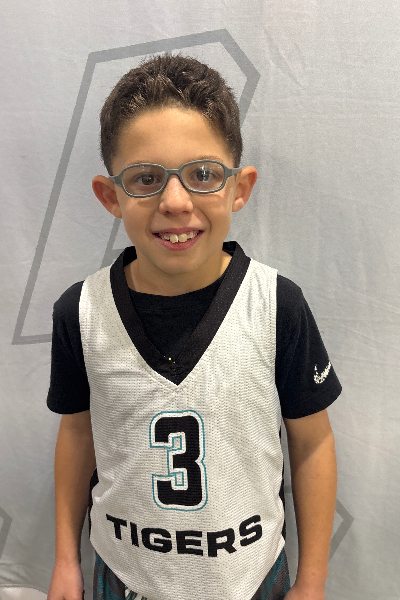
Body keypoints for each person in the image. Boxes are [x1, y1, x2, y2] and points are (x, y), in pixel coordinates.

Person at [46, 52, 341, 600]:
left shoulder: (277, 305)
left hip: (251, 579)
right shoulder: (79, 312)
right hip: (124, 577)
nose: (175, 202)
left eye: (202, 174)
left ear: (239, 187)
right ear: (111, 196)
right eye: (146, 179)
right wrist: (66, 559)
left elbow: (311, 443)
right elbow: (77, 433)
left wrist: (313, 580)